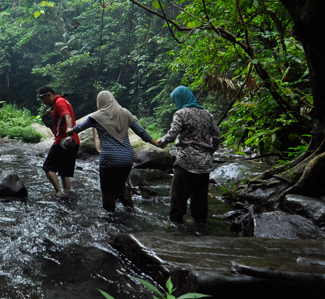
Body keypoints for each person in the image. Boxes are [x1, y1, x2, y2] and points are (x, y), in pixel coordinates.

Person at [69, 90, 162, 212]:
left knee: (108, 192)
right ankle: (130, 211)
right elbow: (141, 132)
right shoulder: (125, 113)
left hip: (109, 159)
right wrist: (158, 144)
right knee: (120, 186)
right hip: (127, 159)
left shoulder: (95, 117)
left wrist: (69, 131)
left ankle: (110, 219)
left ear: (100, 102)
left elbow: (77, 129)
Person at [158, 85, 221, 224]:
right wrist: (209, 152)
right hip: (204, 164)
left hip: (186, 161)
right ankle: (201, 229)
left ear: (180, 98)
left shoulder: (181, 113)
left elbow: (173, 133)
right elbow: (217, 136)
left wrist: (161, 142)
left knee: (178, 197)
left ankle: (176, 229)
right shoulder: (207, 114)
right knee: (200, 199)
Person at [38, 86, 79, 195]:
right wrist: (53, 115)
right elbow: (62, 119)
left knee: (48, 167)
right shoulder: (62, 102)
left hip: (63, 141)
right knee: (64, 172)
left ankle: (59, 192)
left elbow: (68, 117)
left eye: (43, 99)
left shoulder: (60, 102)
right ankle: (66, 194)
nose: (44, 102)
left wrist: (69, 135)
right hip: (73, 142)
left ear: (49, 95)